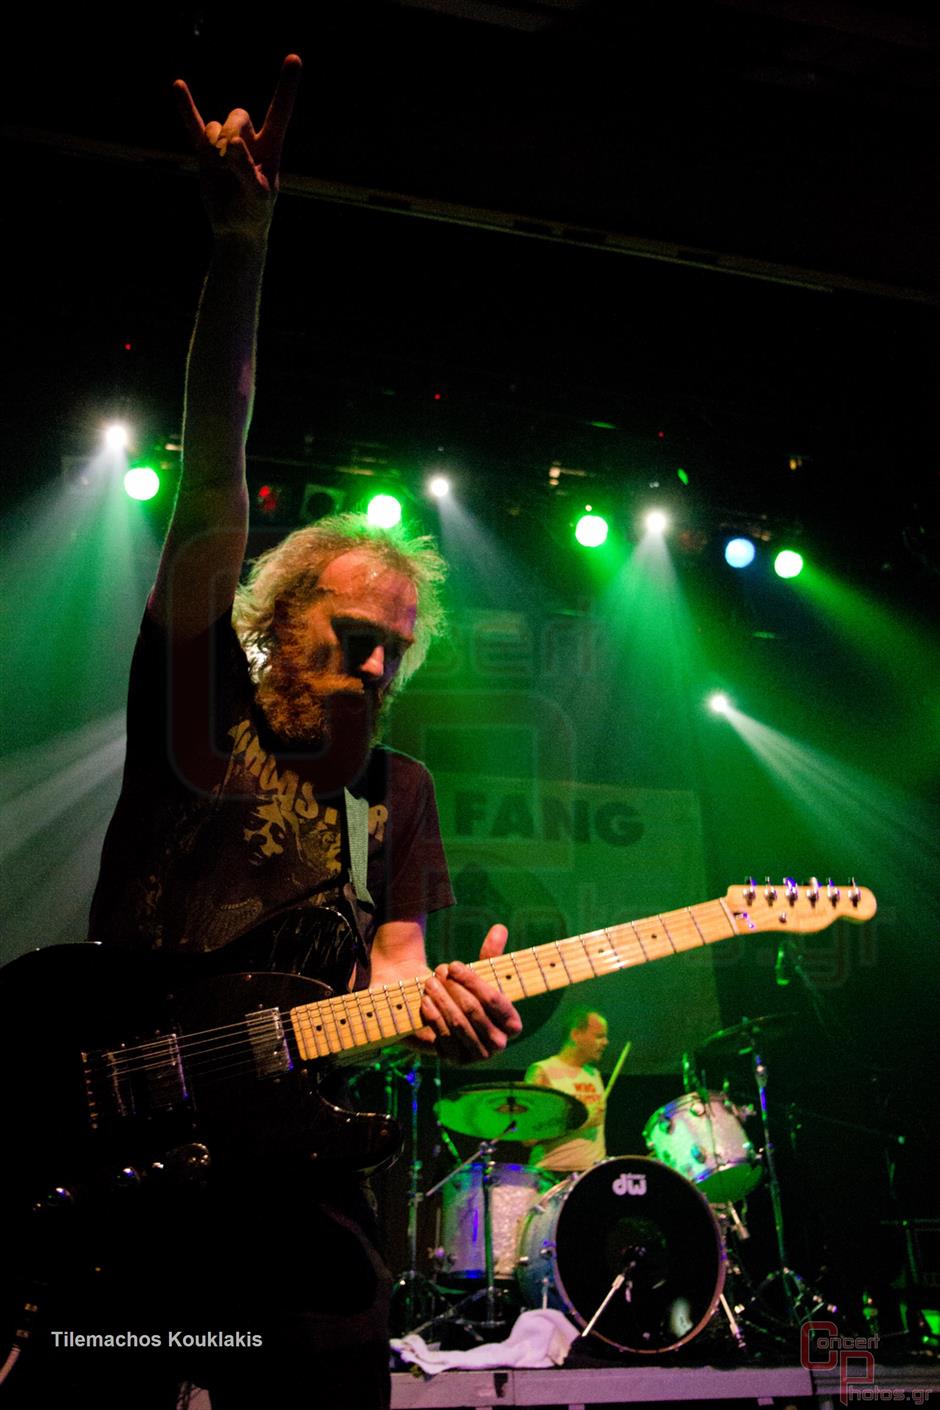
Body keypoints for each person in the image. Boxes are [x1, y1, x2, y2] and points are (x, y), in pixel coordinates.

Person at [7, 55, 521, 1410]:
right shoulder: (196, 703)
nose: (378, 662)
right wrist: (242, 248)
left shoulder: (399, 791)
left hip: (295, 1184)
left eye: (398, 648)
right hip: (122, 1164)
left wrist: (441, 1013)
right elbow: (216, 465)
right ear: (275, 617)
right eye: (351, 633)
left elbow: (397, 969)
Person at [524, 1008, 610, 1173]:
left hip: (591, 1174)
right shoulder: (543, 1071)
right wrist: (581, 1122)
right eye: (599, 1036)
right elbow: (529, 1138)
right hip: (552, 1175)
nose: (606, 1042)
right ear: (576, 1035)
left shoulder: (594, 1074)